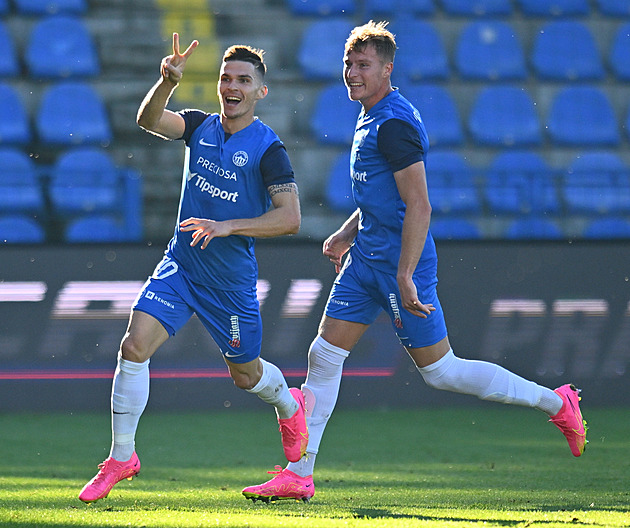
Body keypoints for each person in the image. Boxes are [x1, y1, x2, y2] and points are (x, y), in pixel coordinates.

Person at [242, 20, 588, 504]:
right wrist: (347, 232)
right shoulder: (372, 114)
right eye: (348, 63)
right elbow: (383, 195)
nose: (352, 73)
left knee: (441, 371)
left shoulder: (394, 124)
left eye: (363, 65)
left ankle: (556, 402)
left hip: (399, 264)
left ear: (387, 69)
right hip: (366, 258)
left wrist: (405, 273)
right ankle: (301, 473)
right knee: (324, 354)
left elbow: (419, 204)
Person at [78, 34, 308, 503]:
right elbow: (147, 119)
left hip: (229, 282)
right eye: (226, 78)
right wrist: (165, 83)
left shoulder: (269, 149)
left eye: (244, 80)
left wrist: (228, 226)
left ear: (261, 91)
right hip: (181, 265)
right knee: (134, 344)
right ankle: (122, 457)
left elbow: (290, 217)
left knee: (245, 376)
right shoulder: (200, 125)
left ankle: (289, 402)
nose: (233, 86)